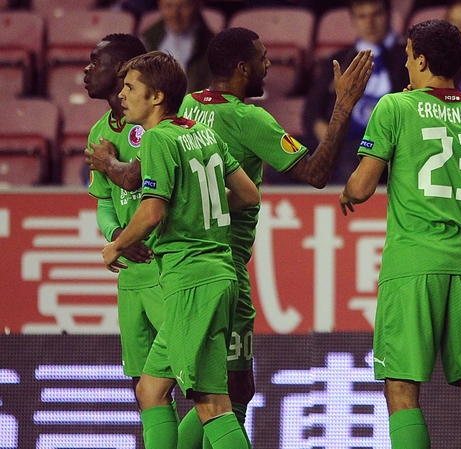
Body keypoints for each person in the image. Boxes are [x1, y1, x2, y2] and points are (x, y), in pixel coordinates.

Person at [176, 27, 373, 447]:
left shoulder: (185, 107)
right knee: (228, 392)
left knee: (212, 391)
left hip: (181, 266)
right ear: (243, 68)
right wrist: (343, 106)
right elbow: (316, 174)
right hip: (223, 267)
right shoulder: (248, 119)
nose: (269, 65)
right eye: (264, 58)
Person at [339, 19, 461, 449]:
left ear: (421, 60)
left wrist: (348, 193)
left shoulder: (395, 107)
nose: (406, 63)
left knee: (402, 390)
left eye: (408, 55)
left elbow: (363, 186)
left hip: (411, 264)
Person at [101, 51, 260, 449]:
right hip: (220, 274)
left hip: (190, 280)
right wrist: (200, 206)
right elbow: (248, 194)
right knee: (153, 391)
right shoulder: (203, 133)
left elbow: (152, 211)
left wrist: (116, 245)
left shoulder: (157, 138)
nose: (122, 94)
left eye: (130, 87)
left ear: (156, 97)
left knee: (210, 404)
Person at [84, 33, 166, 413]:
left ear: (122, 70)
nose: (86, 70)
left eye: (95, 62)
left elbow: (137, 178)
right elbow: (103, 201)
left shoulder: (160, 125)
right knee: (143, 388)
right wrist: (117, 235)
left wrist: (109, 164)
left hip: (165, 268)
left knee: (195, 384)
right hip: (131, 276)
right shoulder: (99, 132)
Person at [302, 0, 406, 184]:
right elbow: (311, 112)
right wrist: (331, 141)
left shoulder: (407, 58)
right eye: (362, 16)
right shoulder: (339, 59)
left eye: (376, 14)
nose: (370, 23)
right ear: (353, 20)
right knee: (288, 158)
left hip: (384, 144)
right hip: (338, 139)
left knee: (353, 158)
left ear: (389, 15)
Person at [141, 0, 214, 93]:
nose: (175, 14)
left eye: (184, 6)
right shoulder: (148, 39)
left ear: (198, 5)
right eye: (169, 6)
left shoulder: (212, 47)